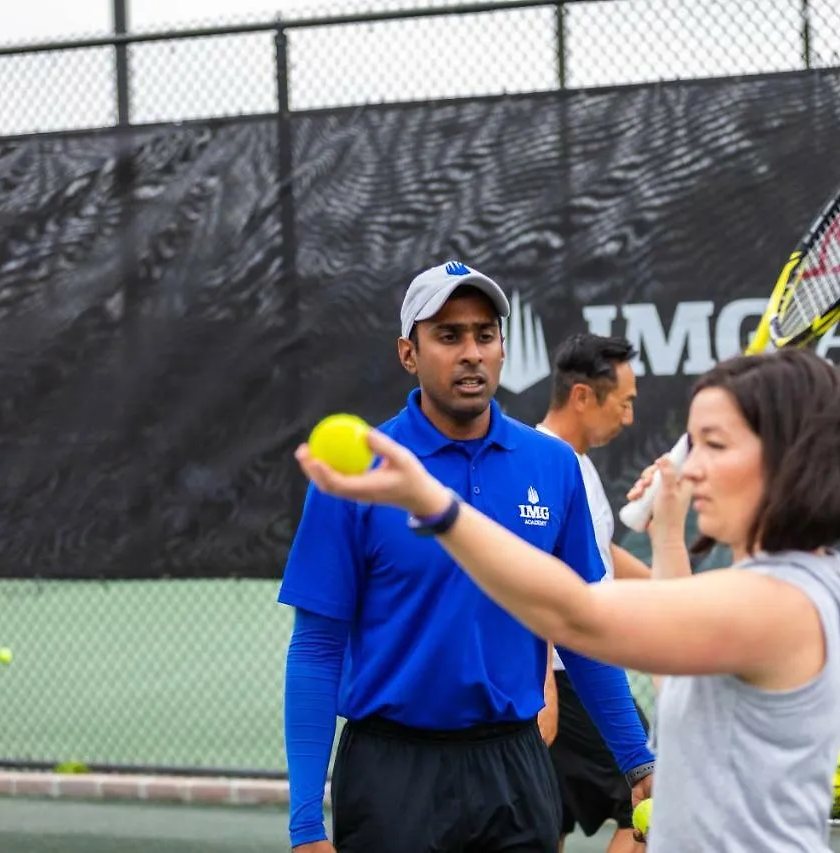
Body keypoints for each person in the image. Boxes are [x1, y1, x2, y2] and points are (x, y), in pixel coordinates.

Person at [295, 347, 840, 853]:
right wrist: (665, 534)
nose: (692, 468)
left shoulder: (775, 604)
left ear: (789, 457)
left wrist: (435, 505)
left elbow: (575, 615)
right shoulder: (799, 583)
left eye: (713, 444)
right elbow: (678, 658)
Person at [278, 260, 656, 853]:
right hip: (389, 773)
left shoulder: (552, 466)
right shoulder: (354, 475)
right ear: (409, 352)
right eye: (448, 336)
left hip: (515, 767)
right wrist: (305, 824)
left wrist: (637, 761)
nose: (471, 352)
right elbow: (317, 647)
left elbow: (581, 627)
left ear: (504, 348)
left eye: (485, 334)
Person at [535, 333, 653, 853]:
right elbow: (531, 576)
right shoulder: (544, 465)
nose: (628, 418)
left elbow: (599, 552)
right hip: (570, 680)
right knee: (657, 801)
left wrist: (676, 588)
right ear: (583, 396)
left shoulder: (575, 463)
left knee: (546, 822)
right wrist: (544, 683)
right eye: (623, 403)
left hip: (577, 676)